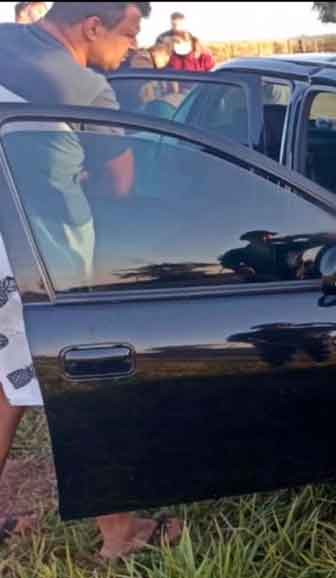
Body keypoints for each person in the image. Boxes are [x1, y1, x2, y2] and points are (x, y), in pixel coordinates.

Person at [0, 2, 183, 560]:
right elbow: (121, 185)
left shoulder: (5, 40)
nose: (132, 46)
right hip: (46, 255)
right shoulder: (84, 87)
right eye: (128, 33)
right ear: (92, 27)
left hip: (2, 248)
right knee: (84, 384)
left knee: (9, 384)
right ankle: (120, 534)